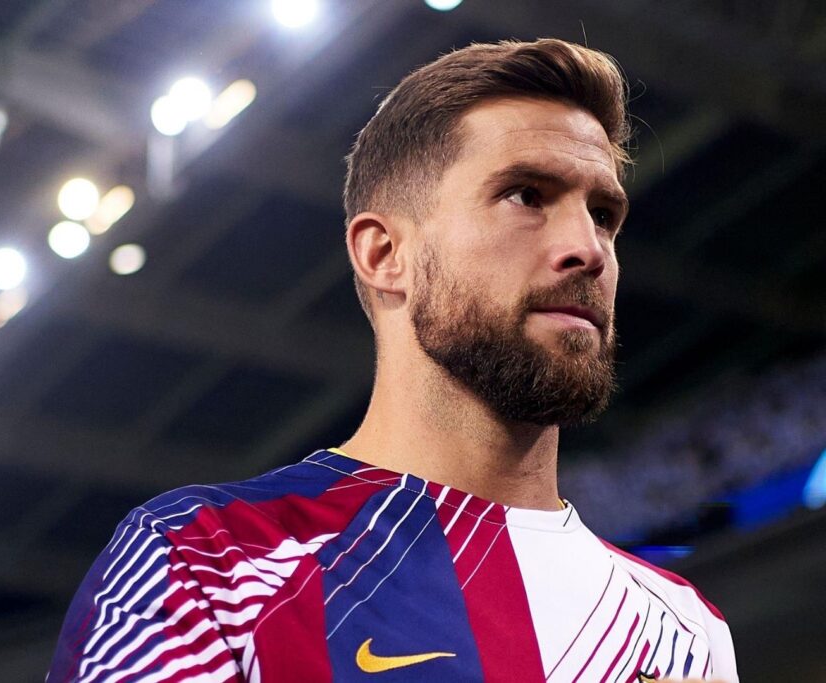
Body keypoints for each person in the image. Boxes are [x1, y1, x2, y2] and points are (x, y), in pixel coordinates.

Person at [48, 39, 738, 682]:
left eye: (604, 214)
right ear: (385, 255)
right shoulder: (206, 565)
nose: (589, 248)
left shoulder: (686, 630)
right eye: (525, 195)